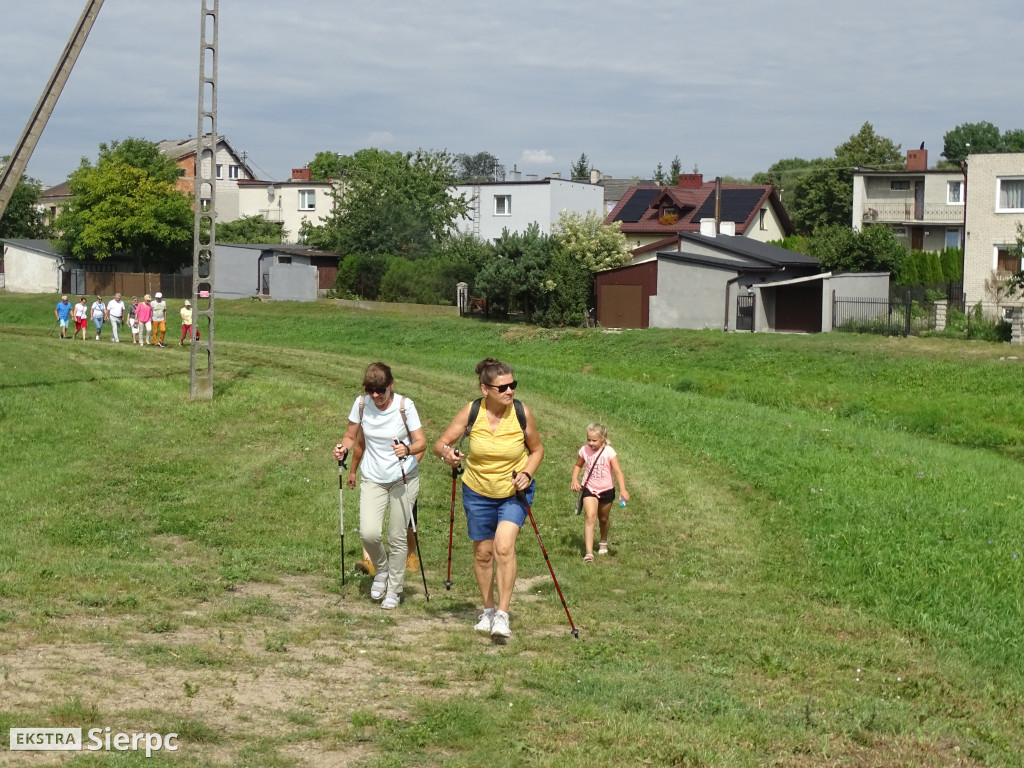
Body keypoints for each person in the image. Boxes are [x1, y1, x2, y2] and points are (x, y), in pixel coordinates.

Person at [433, 357, 544, 640]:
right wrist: (449, 455)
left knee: (503, 547)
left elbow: (537, 450)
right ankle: (488, 610)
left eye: (513, 385)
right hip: (477, 491)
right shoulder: (471, 412)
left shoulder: (521, 413)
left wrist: (527, 474)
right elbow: (440, 444)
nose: (510, 392)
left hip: (512, 493)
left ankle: (503, 616)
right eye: (502, 388)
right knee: (483, 554)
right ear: (485, 389)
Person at [332, 363, 427, 610]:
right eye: (371, 390)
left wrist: (407, 449)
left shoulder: (405, 406)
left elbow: (422, 442)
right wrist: (343, 447)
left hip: (403, 478)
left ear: (391, 386)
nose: (376, 396)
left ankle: (394, 590)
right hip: (373, 477)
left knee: (397, 536)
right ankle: (382, 570)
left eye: (381, 391)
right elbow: (351, 436)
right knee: (369, 533)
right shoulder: (362, 404)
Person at [346, 436, 423, 576]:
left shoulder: (406, 416)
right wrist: (352, 471)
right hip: (376, 478)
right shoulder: (369, 418)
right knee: (370, 525)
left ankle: (411, 556)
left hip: (402, 477)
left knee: (409, 523)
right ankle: (370, 562)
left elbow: (420, 444)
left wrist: (409, 467)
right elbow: (360, 443)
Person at [570, 423, 630, 562]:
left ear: (603, 438)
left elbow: (618, 472)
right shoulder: (584, 450)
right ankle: (589, 553)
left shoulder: (609, 452)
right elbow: (578, 465)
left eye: (594, 440)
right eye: (588, 440)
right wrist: (574, 479)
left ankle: (603, 541)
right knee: (590, 516)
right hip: (589, 488)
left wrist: (623, 490)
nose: (590, 443)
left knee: (603, 519)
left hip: (606, 490)